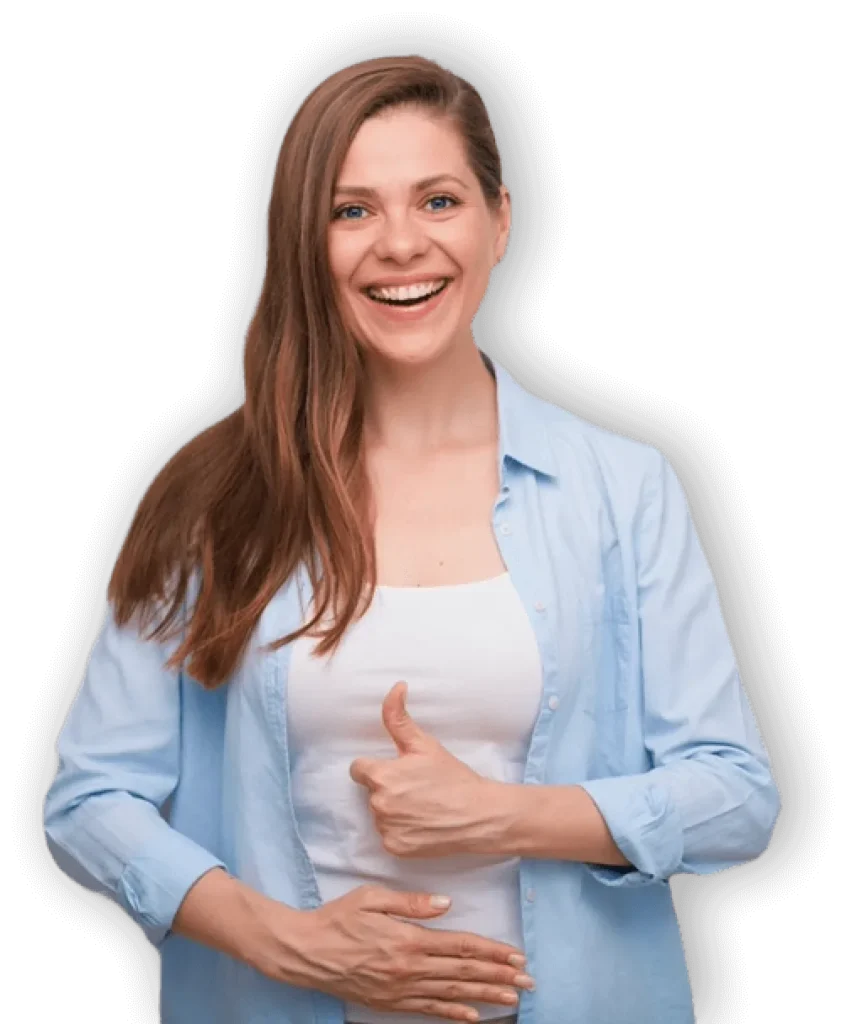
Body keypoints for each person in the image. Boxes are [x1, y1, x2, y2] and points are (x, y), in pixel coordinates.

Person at [42, 53, 782, 1024]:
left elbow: (734, 798)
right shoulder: (212, 495)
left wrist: (500, 814)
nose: (400, 244)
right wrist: (288, 943)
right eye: (351, 211)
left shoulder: (622, 486)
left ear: (498, 221)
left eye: (438, 201)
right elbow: (91, 801)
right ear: (303, 243)